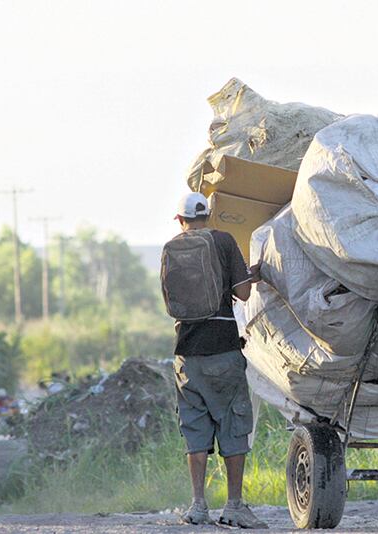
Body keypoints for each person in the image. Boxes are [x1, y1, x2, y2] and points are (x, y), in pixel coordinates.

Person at [163, 192, 266, 529]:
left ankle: (197, 506)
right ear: (209, 215)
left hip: (186, 355)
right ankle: (234, 506)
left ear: (179, 220)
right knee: (233, 425)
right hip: (222, 348)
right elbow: (244, 293)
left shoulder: (172, 249)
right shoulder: (223, 241)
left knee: (195, 428)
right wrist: (252, 273)